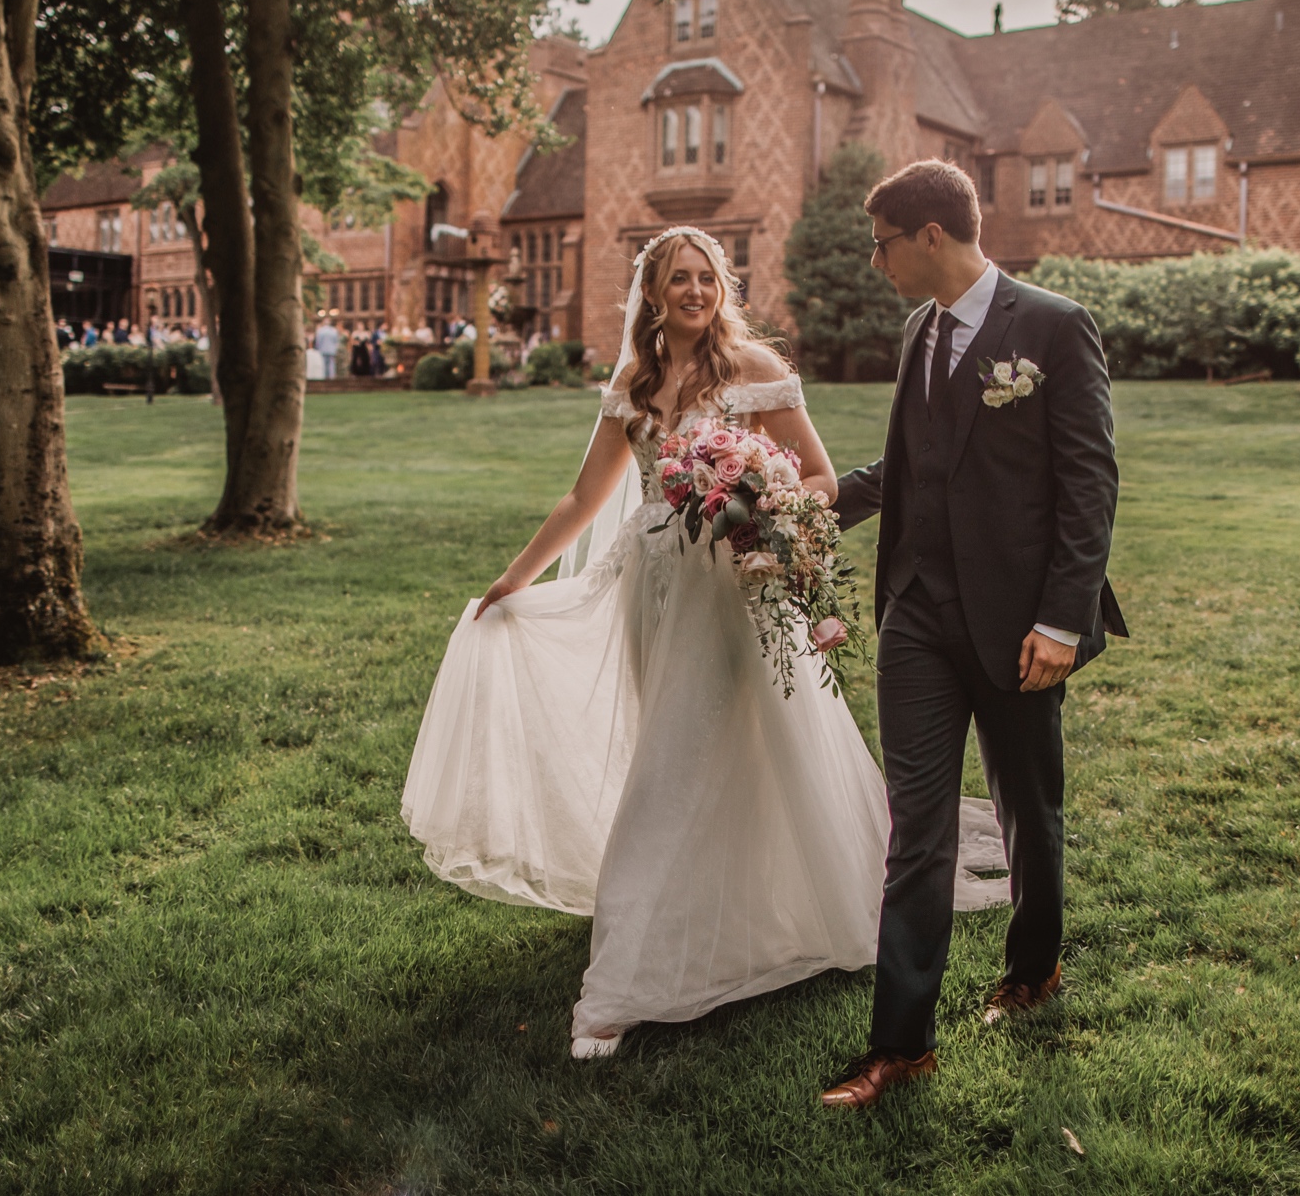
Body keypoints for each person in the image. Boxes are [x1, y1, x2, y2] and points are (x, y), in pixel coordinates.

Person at [402, 227, 1013, 1062]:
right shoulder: (634, 382)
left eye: (706, 277)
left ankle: (621, 986)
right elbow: (585, 499)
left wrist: (760, 508)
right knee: (683, 747)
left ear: (722, 287)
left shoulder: (754, 368)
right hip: (652, 593)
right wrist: (514, 578)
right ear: (653, 295)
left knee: (679, 763)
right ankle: (726, 901)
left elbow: (820, 477)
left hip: (732, 591)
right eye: (679, 279)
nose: (695, 290)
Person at [817, 158, 1125, 1111]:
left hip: (1020, 621)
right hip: (916, 612)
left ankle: (1033, 969)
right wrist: (804, 505)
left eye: (883, 245)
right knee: (918, 825)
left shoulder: (1056, 327)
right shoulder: (920, 330)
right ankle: (901, 1044)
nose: (876, 263)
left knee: (1029, 805)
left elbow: (1089, 485)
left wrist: (1060, 619)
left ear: (931, 236)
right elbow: (909, 464)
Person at [313, 314, 343, 380]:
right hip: (332, 350)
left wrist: (317, 349)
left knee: (324, 365)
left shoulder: (320, 331)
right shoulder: (333, 331)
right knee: (331, 365)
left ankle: (324, 378)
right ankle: (331, 378)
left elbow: (318, 342)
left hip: (323, 350)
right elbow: (336, 341)